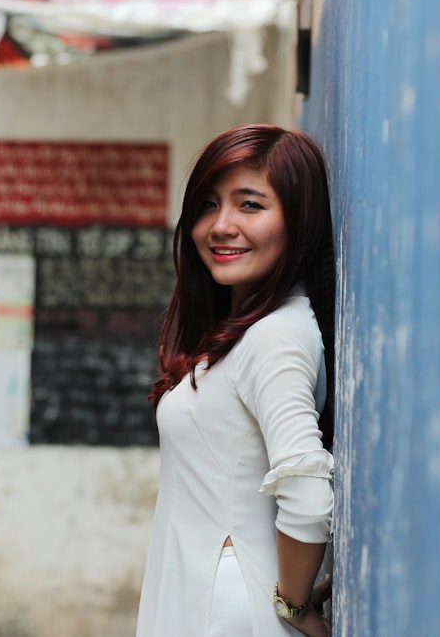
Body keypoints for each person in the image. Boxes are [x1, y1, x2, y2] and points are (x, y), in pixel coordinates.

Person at [136, 124, 336, 637]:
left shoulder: (275, 337)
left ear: (300, 220)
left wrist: (293, 607)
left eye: (250, 205)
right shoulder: (249, 335)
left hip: (224, 607)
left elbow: (309, 495)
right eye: (207, 204)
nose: (220, 225)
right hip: (211, 592)